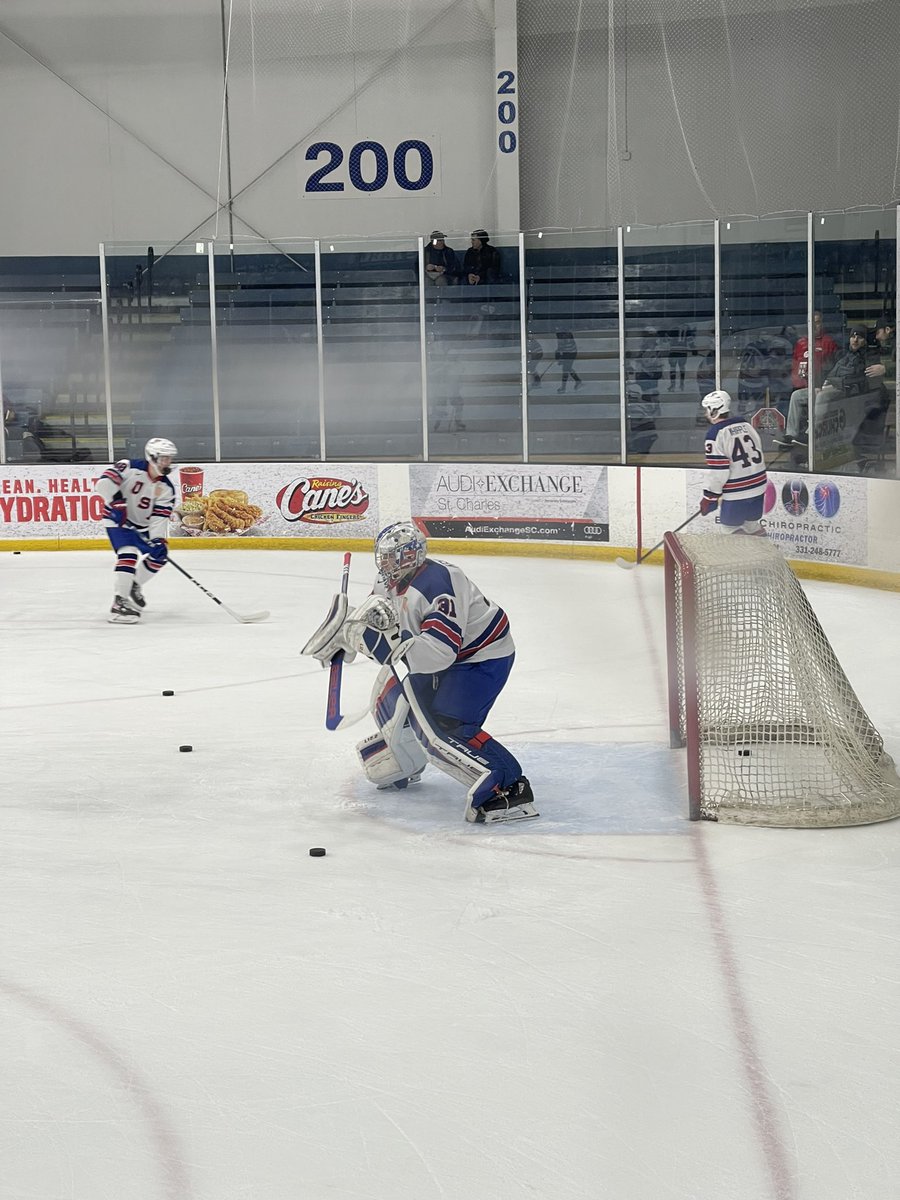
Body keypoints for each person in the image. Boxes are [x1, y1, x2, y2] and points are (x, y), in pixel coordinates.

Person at [302, 522, 536, 824]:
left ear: (410, 556)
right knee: (403, 699)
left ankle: (509, 787)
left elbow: (439, 654)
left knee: (448, 724)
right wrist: (351, 635)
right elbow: (381, 622)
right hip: (450, 656)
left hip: (481, 659)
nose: (384, 563)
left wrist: (384, 645)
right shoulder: (388, 580)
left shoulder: (438, 587)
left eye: (391, 557)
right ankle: (407, 759)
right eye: (383, 557)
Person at [93, 438, 177, 623]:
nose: (167, 462)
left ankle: (133, 584)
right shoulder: (129, 467)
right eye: (163, 458)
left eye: (169, 458)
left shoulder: (167, 489)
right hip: (117, 520)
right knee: (128, 554)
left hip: (142, 525)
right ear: (152, 457)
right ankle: (119, 604)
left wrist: (157, 539)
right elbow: (103, 484)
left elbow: (158, 518)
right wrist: (115, 501)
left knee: (160, 555)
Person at [776, 327, 885, 448]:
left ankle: (811, 434)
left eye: (859, 337)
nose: (855, 340)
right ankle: (791, 435)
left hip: (847, 391)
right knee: (797, 396)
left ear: (865, 341)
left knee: (822, 396)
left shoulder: (869, 356)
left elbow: (864, 380)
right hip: (828, 386)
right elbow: (827, 370)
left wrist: (883, 368)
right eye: (853, 337)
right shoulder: (842, 353)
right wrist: (820, 385)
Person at [699, 389, 767, 536]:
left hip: (737, 492)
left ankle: (745, 552)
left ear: (714, 410)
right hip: (759, 487)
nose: (705, 414)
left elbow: (719, 472)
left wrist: (709, 497)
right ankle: (766, 551)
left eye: (707, 410)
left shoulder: (715, 434)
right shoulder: (746, 425)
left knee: (729, 529)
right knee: (752, 526)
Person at [790, 310, 839, 393]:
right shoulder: (800, 343)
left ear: (822, 324)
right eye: (811, 322)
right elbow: (795, 368)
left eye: (817, 322)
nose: (814, 326)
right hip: (802, 387)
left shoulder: (829, 342)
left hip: (821, 387)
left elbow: (833, 368)